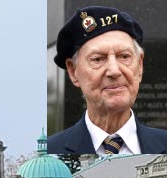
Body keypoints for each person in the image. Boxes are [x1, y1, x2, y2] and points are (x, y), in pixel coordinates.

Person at [48, 5, 167, 154]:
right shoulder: (50, 152)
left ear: (140, 65)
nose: (114, 71)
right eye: (98, 59)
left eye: (124, 57)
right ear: (73, 71)